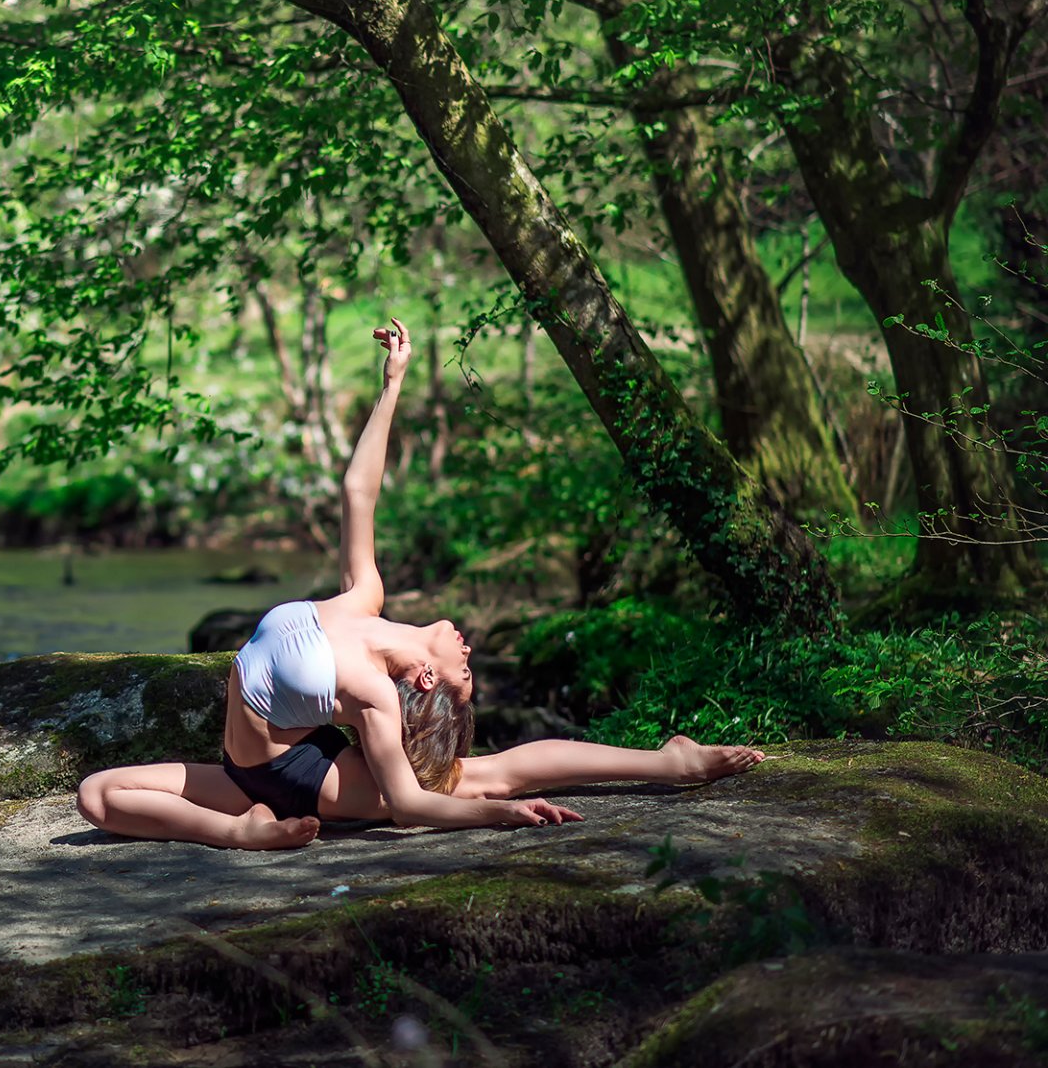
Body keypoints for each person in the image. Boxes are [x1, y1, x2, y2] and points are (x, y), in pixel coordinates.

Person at [76, 317, 764, 850]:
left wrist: (498, 821)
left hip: (297, 776)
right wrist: (393, 385)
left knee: (486, 777)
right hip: (260, 762)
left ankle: (671, 764)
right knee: (95, 795)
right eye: (471, 668)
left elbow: (407, 809)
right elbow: (357, 491)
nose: (468, 651)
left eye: (463, 672)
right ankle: (238, 830)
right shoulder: (364, 596)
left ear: (427, 681)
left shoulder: (373, 692)